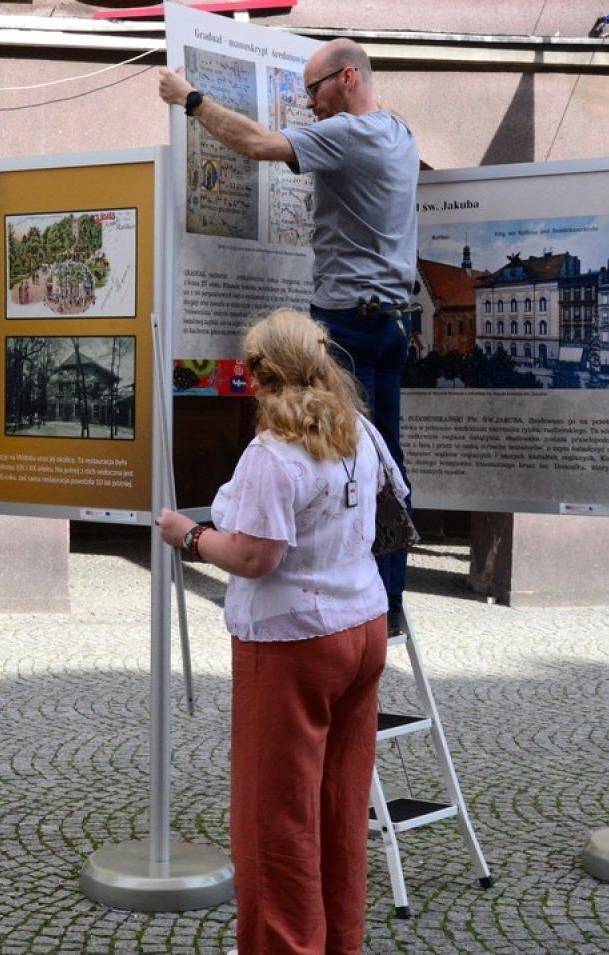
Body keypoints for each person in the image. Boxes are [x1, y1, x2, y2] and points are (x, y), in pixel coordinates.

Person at [157, 309, 403, 955]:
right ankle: (339, 942)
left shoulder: (272, 453)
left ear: (256, 373)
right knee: (340, 804)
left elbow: (254, 555)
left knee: (276, 818)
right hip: (363, 625)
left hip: (294, 641)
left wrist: (189, 534)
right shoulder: (359, 429)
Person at [157, 38, 420, 633]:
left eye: (314, 90)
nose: (308, 104)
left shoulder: (349, 134)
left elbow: (256, 144)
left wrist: (190, 98)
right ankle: (389, 601)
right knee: (384, 461)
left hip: (347, 323)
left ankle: (350, 599)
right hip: (391, 326)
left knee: (330, 456)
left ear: (347, 78)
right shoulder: (400, 131)